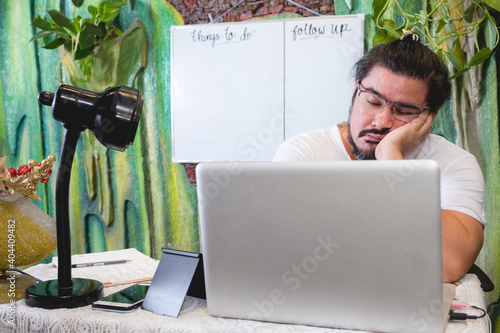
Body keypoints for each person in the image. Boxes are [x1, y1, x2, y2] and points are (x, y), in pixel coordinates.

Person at [273, 30, 486, 283]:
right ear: (355, 92)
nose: (381, 121)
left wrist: (391, 159)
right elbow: (281, 249)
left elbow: (450, 264)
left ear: (431, 114)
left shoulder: (454, 164)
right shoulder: (303, 153)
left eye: (404, 110)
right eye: (373, 101)